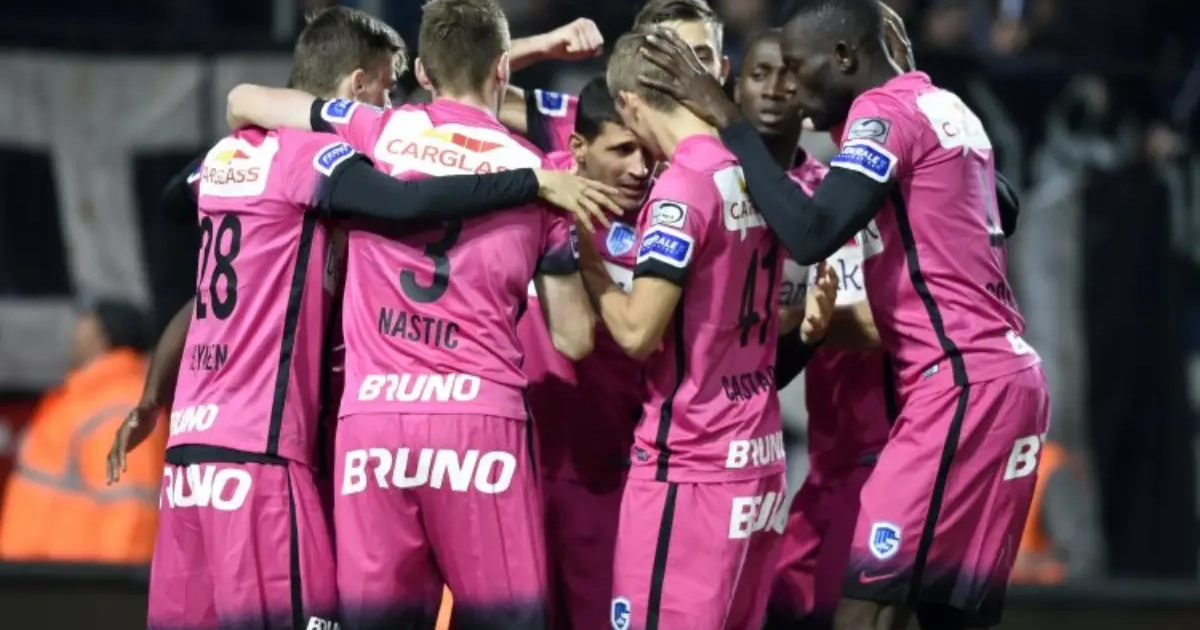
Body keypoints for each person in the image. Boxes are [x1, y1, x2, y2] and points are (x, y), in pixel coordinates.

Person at [106, 7, 617, 630]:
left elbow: (236, 111)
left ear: (424, 72)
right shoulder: (521, 169)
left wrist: (153, 397)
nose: (393, 94)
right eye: (384, 84)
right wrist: (542, 196)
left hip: (325, 433)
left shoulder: (365, 134)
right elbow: (571, 334)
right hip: (443, 427)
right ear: (502, 68)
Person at [636, 0, 1049, 627]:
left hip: (958, 385)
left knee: (865, 606)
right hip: (1005, 380)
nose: (795, 94)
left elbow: (811, 234)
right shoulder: (942, 105)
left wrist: (728, 120)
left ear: (845, 58)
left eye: (802, 73)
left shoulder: (883, 113)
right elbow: (1003, 204)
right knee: (947, 615)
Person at [582, 30, 837, 630]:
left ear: (629, 103)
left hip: (690, 468)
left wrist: (586, 261)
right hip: (759, 464)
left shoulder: (681, 188)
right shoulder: (755, 175)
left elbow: (637, 332)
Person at [516, 76, 651, 630]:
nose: (641, 168)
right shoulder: (524, 185)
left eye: (648, 151)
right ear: (578, 148)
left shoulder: (668, 218)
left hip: (605, 478)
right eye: (622, 150)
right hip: (512, 470)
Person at [0, 299, 161, 563]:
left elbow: (130, 512)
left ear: (99, 334)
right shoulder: (87, 397)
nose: (74, 331)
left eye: (84, 322)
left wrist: (118, 584)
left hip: (76, 578)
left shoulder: (117, 406)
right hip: (48, 574)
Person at [501, 0, 728, 154]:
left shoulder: (745, 142)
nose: (686, 69)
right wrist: (541, 45)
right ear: (639, 66)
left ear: (724, 70)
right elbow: (482, 87)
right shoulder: (593, 125)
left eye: (701, 57)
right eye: (667, 55)